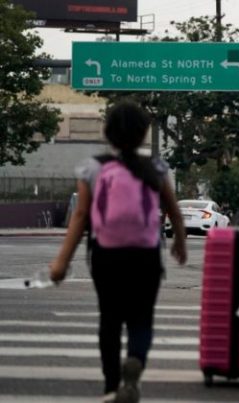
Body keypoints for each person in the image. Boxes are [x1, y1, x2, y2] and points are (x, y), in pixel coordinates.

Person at [49, 101, 187, 403]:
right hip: (145, 256)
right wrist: (180, 242)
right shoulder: (156, 168)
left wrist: (61, 261)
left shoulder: (93, 168)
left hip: (106, 256)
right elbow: (174, 211)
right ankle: (135, 358)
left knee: (110, 320)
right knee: (141, 318)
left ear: (107, 132)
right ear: (143, 133)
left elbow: (80, 216)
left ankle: (112, 386)